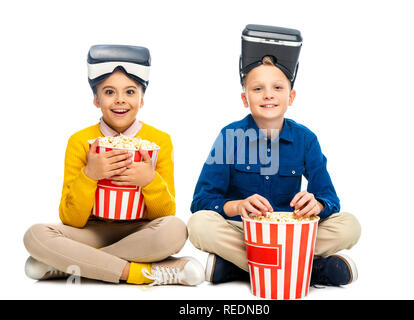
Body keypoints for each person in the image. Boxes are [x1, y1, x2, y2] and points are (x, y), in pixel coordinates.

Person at [187, 25, 361, 286]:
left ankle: (242, 266)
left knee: (350, 225)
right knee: (199, 225)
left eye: (277, 88)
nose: (268, 94)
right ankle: (307, 270)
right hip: (244, 230)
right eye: (257, 89)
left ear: (290, 96)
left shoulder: (306, 139)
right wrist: (236, 206)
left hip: (292, 232)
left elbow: (330, 198)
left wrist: (318, 204)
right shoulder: (229, 136)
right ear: (245, 99)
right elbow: (201, 201)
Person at [23, 44, 204, 286]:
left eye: (130, 92)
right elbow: (70, 219)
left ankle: (69, 264)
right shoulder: (80, 141)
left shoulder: (159, 141)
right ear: (96, 99)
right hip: (91, 232)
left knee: (176, 229)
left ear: (142, 100)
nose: (120, 100)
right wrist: (90, 174)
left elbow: (164, 214)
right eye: (109, 92)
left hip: (140, 232)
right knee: (35, 235)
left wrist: (150, 181)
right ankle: (141, 273)